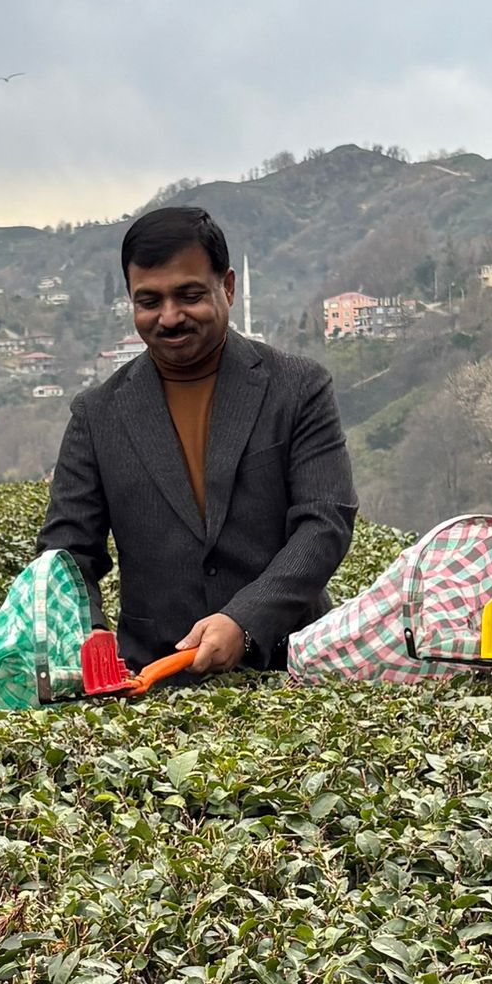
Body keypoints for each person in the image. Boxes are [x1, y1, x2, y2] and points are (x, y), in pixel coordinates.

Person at [38, 206, 358, 676]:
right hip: (154, 685)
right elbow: (67, 557)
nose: (169, 318)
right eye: (149, 302)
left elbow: (325, 522)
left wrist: (244, 619)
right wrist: (93, 656)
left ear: (227, 286)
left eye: (189, 295)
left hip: (293, 672)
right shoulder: (97, 415)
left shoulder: (298, 388)